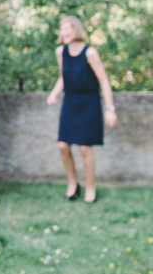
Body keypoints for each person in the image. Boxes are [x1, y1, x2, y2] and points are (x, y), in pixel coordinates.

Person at [46, 16, 117, 203]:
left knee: (85, 147)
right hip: (70, 100)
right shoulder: (60, 51)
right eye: (61, 29)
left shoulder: (90, 53)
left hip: (89, 101)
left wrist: (110, 109)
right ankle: (73, 184)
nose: (64, 32)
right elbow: (63, 77)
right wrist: (54, 94)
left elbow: (103, 80)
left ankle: (91, 187)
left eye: (67, 28)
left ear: (76, 29)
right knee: (63, 145)